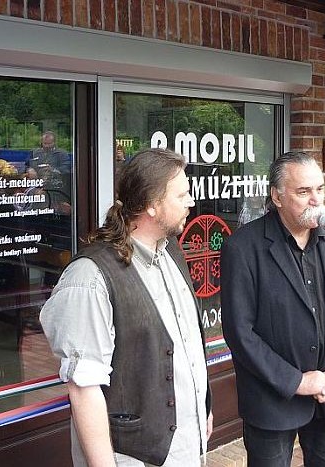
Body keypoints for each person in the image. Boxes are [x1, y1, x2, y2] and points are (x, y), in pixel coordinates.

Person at [40, 148, 212, 466]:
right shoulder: (89, 277)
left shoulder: (171, 251)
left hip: (186, 447)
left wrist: (205, 411)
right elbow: (84, 388)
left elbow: (185, 346)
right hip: (132, 457)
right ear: (151, 205)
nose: (191, 201)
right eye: (181, 195)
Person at [220, 151, 325, 467]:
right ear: (277, 196)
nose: (315, 199)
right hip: (271, 402)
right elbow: (240, 333)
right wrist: (296, 381)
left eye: (319, 189)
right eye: (303, 191)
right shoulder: (243, 247)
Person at [26, 131, 72, 214]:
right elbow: (25, 166)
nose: (46, 146)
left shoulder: (61, 154)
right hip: (37, 183)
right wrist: (29, 169)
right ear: (41, 142)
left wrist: (53, 170)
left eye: (49, 144)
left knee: (42, 196)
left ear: (54, 143)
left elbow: (67, 169)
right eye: (45, 143)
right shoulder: (35, 153)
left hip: (55, 185)